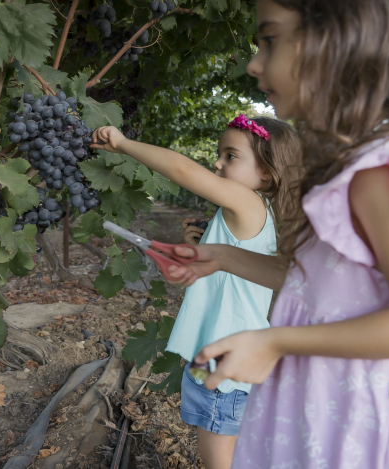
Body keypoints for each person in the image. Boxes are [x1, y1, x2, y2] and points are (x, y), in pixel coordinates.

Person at [164, 0, 389, 467]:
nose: (255, 63)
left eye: (271, 40)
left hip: (362, 424)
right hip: (335, 404)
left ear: (341, 40)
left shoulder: (380, 172)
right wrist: (222, 257)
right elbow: (324, 288)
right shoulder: (354, 163)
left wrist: (275, 341)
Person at [90, 116, 299, 469]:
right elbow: (230, 273)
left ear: (266, 172)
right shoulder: (263, 214)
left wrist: (123, 144)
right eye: (219, 153)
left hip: (222, 366)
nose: (217, 162)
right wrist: (206, 245)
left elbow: (184, 171)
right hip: (234, 359)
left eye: (231, 156)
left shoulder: (247, 203)